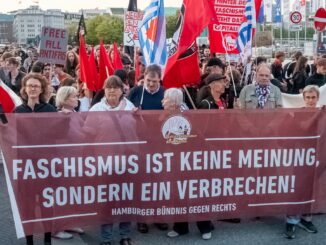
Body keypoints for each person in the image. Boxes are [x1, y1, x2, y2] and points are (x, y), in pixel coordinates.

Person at [89, 76, 135, 245]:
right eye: (108, 87)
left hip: (126, 161)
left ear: (122, 89)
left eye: (115, 87)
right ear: (104, 89)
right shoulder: (96, 109)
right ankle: (106, 237)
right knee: (106, 201)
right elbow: (88, 133)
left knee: (125, 199)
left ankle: (125, 235)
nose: (111, 90)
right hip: (105, 162)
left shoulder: (130, 107)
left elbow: (139, 131)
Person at [165, 87, 213, 240]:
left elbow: (193, 137)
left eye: (165, 99)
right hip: (175, 162)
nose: (162, 102)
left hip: (192, 161)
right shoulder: (162, 115)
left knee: (198, 193)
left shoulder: (187, 116)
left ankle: (205, 226)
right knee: (179, 194)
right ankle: (180, 227)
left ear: (174, 103)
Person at [13, 73, 56, 245]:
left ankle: (47, 238)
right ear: (24, 89)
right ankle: (29, 239)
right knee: (28, 206)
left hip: (45, 165)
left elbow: (59, 134)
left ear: (41, 89)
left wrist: (67, 120)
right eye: (30, 85)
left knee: (47, 204)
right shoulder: (18, 111)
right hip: (25, 165)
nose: (32, 88)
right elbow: (10, 134)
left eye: (36, 86)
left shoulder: (50, 110)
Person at [284, 85, 320, 239]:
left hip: (318, 158)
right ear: (304, 98)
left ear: (317, 98)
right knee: (297, 188)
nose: (311, 100)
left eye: (313, 97)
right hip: (301, 158)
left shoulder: (323, 113)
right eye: (308, 97)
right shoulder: (297, 114)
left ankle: (306, 218)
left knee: (312, 189)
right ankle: (291, 220)